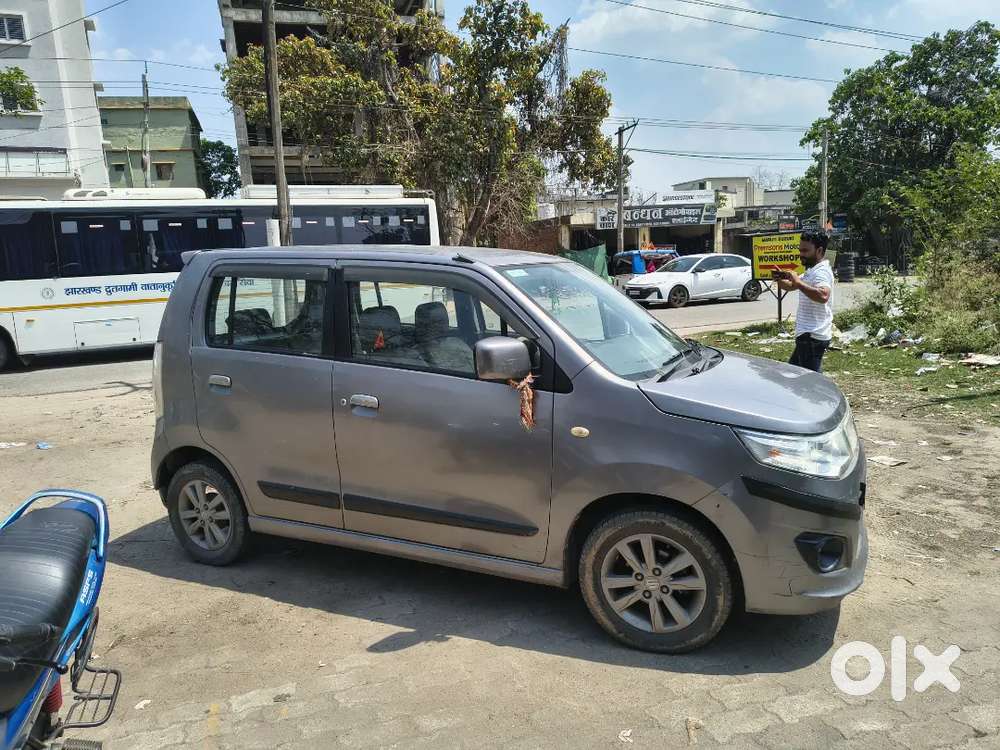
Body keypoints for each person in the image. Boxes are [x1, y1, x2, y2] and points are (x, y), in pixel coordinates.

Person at [775, 231, 834, 372]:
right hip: (807, 335)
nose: (801, 254)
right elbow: (791, 286)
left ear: (819, 251)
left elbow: (823, 295)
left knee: (808, 380)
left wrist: (798, 282)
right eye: (800, 250)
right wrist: (779, 279)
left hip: (812, 336)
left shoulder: (821, 272)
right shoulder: (811, 271)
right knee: (794, 374)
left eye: (805, 251)